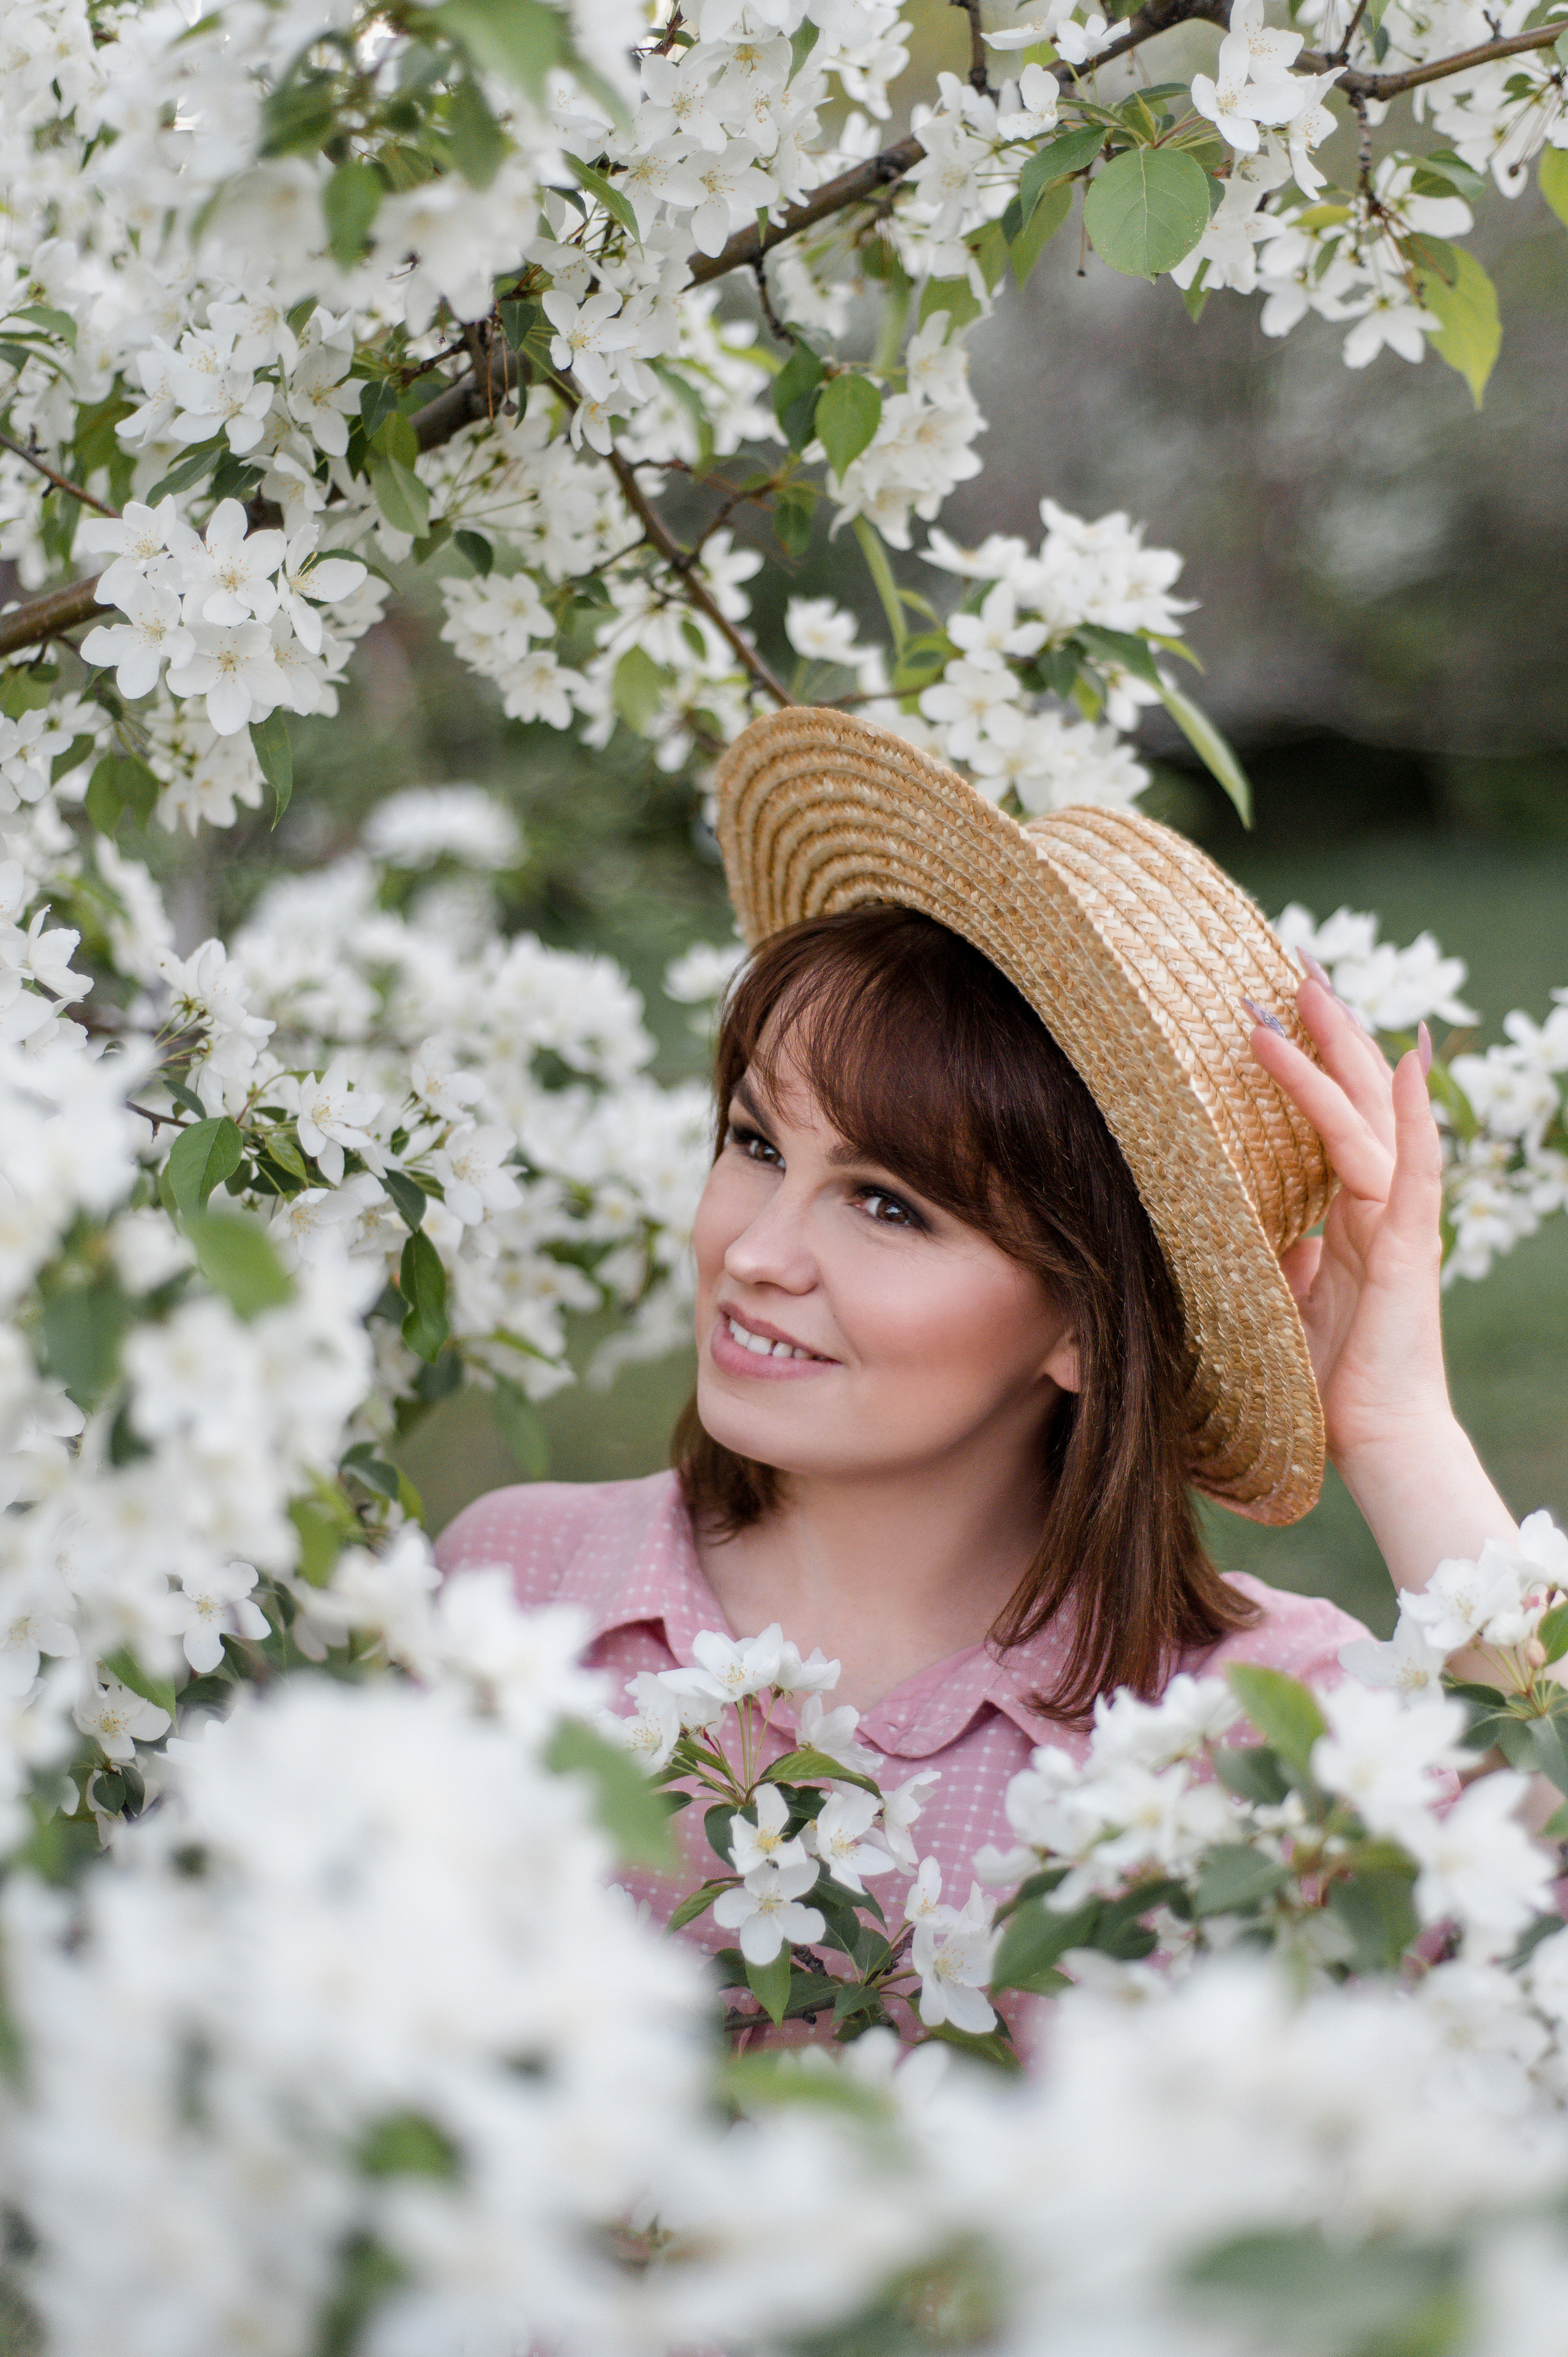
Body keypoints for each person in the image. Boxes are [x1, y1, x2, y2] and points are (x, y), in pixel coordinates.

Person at [435, 708, 1517, 1923]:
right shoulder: (521, 1588)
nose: (751, 1250)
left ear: (1081, 1323)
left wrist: (1398, 1428)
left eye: (886, 1207)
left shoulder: (1246, 1729)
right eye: (753, 1143)